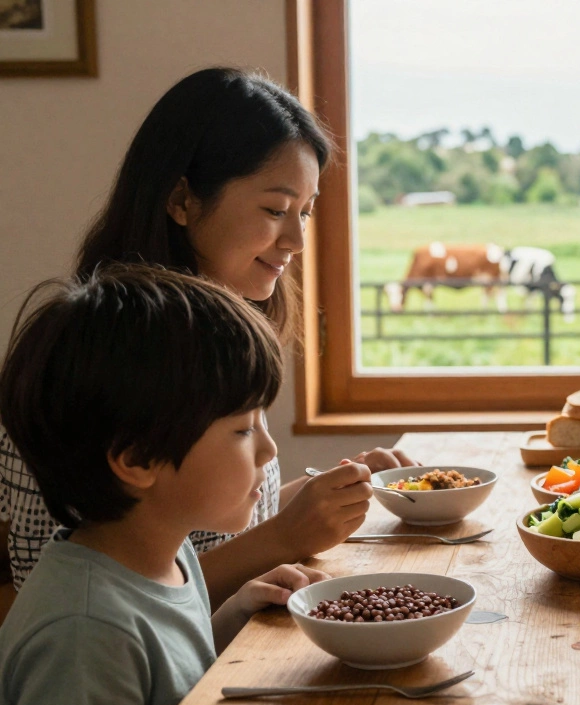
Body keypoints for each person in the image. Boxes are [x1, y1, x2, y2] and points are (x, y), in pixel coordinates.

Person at [0, 67, 413, 619]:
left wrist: (333, 491)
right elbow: (66, 602)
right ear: (182, 200)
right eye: (275, 210)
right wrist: (283, 538)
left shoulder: (217, 336)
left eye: (306, 213)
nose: (296, 240)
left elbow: (194, 524)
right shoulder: (98, 359)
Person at [0, 264, 330, 705]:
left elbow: (170, 687)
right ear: (137, 460)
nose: (269, 449)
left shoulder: (165, 554)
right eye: (242, 430)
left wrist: (236, 611)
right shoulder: (86, 633)